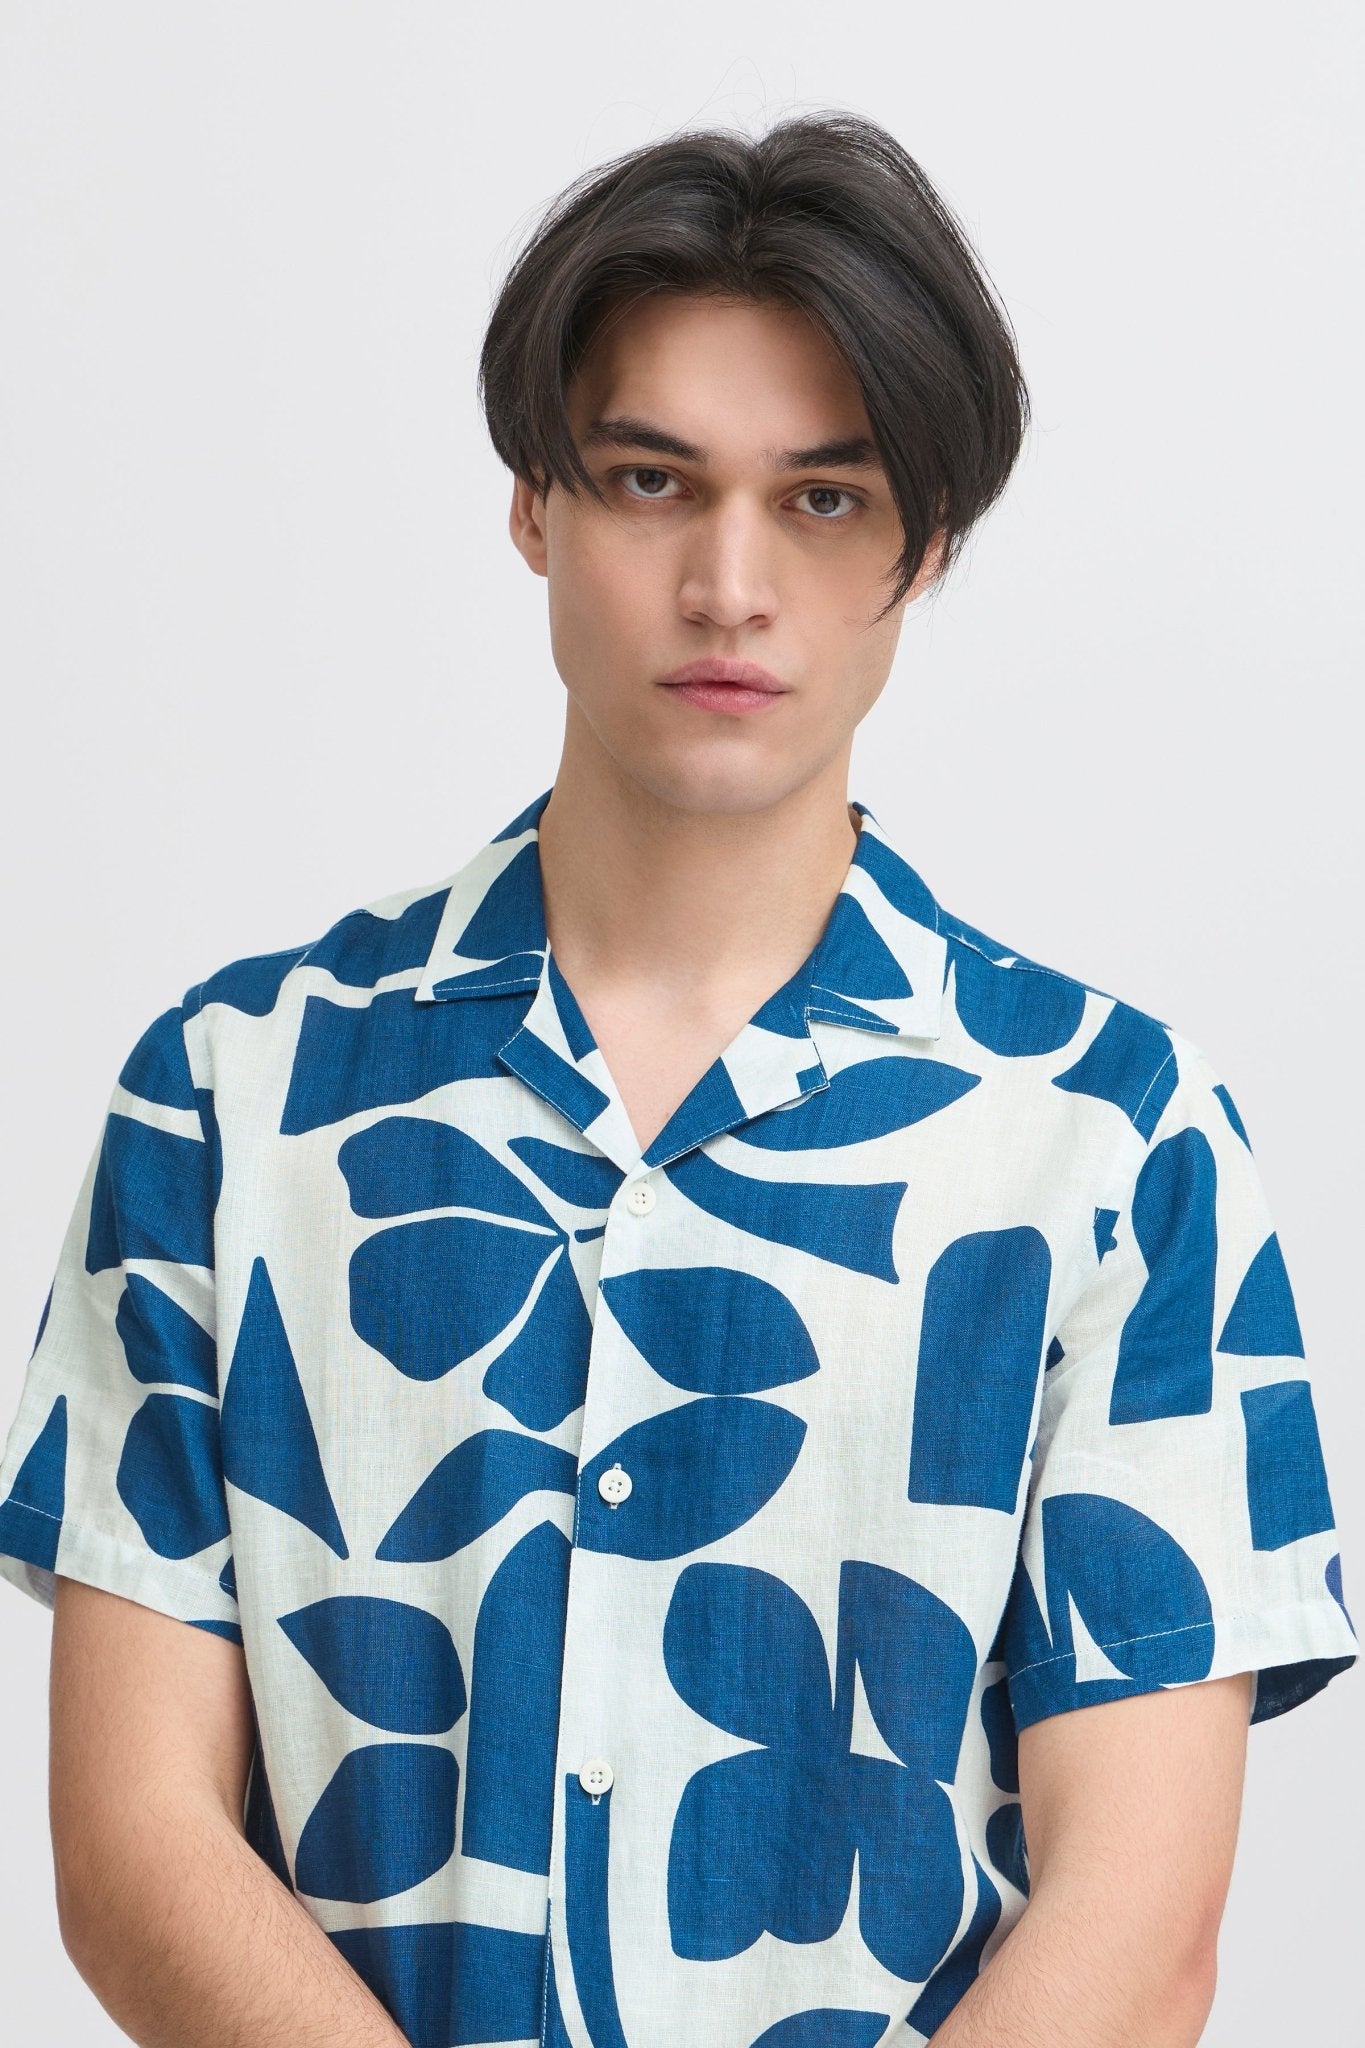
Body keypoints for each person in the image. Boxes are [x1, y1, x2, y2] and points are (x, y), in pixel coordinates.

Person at [0, 111, 1355, 2048]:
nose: (729, 583)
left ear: (923, 544)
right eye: (651, 480)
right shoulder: (230, 1101)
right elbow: (133, 1848)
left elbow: (1137, 1931)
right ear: (532, 505)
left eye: (823, 499)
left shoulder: (1112, 1141)